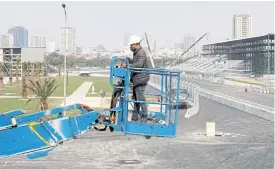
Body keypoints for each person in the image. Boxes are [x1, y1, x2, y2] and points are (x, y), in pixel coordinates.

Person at [126, 35, 150, 122]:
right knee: (136, 100)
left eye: (131, 45)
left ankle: (144, 117)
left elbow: (139, 65)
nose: (130, 47)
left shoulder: (141, 52)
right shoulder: (137, 52)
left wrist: (127, 65)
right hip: (138, 79)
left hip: (141, 79)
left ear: (136, 44)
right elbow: (136, 63)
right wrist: (128, 60)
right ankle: (135, 118)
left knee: (141, 99)